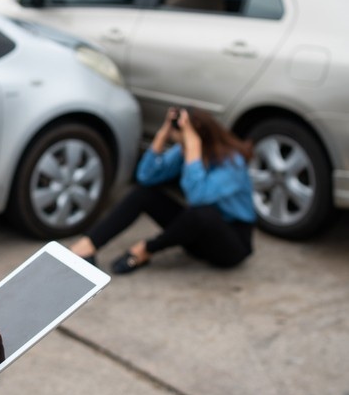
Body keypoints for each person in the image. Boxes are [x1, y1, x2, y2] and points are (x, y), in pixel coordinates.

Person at [70, 106, 256, 274]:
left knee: (202, 213)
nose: (181, 147)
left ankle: (145, 249)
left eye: (184, 139)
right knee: (144, 194)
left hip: (231, 246)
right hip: (195, 236)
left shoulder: (232, 163)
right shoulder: (184, 150)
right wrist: (162, 135)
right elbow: (146, 177)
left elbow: (198, 197)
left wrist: (193, 147)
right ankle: (87, 246)